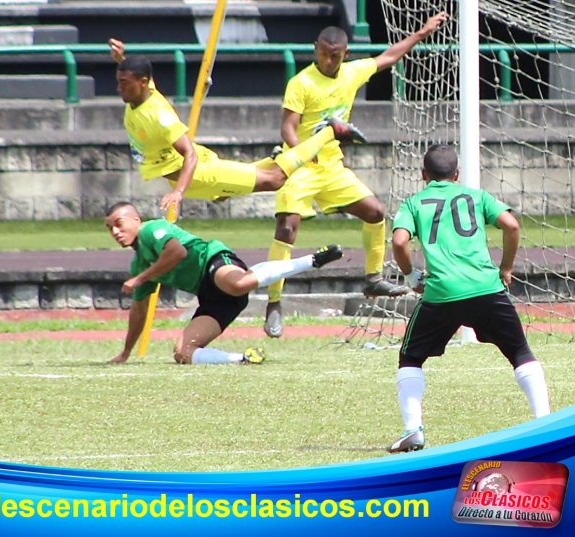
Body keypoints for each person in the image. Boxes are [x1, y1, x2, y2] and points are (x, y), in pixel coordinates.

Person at [263, 12, 449, 339]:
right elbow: (287, 128)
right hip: (302, 168)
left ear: (345, 54)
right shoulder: (302, 82)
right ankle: (274, 302)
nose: (328, 60)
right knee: (287, 226)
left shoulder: (351, 73)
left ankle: (373, 279)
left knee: (375, 211)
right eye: (322, 53)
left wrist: (421, 33)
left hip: (333, 168)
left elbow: (388, 56)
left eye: (335, 55)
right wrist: (307, 154)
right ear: (315, 49)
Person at [388, 144, 551, 453]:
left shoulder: (414, 202)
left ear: (424, 175)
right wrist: (506, 266)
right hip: (486, 288)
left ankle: (413, 431)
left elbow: (399, 242)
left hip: (442, 293)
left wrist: (410, 276)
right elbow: (512, 225)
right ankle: (544, 426)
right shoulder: (476, 196)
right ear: (457, 174)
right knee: (520, 352)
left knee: (411, 358)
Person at [108, 39, 366, 212]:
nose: (119, 88)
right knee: (223, 195)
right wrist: (122, 59)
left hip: (199, 173)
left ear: (142, 82)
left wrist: (179, 193)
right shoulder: (142, 90)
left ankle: (332, 131)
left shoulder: (159, 114)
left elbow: (189, 154)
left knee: (275, 180)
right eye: (119, 81)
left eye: (124, 83)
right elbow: (134, 73)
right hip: (193, 177)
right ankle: (276, 158)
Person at [105, 201, 343, 365]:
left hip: (213, 260)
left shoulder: (151, 229)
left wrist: (141, 278)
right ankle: (243, 359)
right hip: (212, 296)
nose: (115, 231)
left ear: (136, 219)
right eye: (109, 228)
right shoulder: (138, 264)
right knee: (183, 353)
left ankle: (312, 260)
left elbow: (177, 252)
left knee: (238, 283)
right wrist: (126, 351)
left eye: (119, 223)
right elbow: (140, 310)